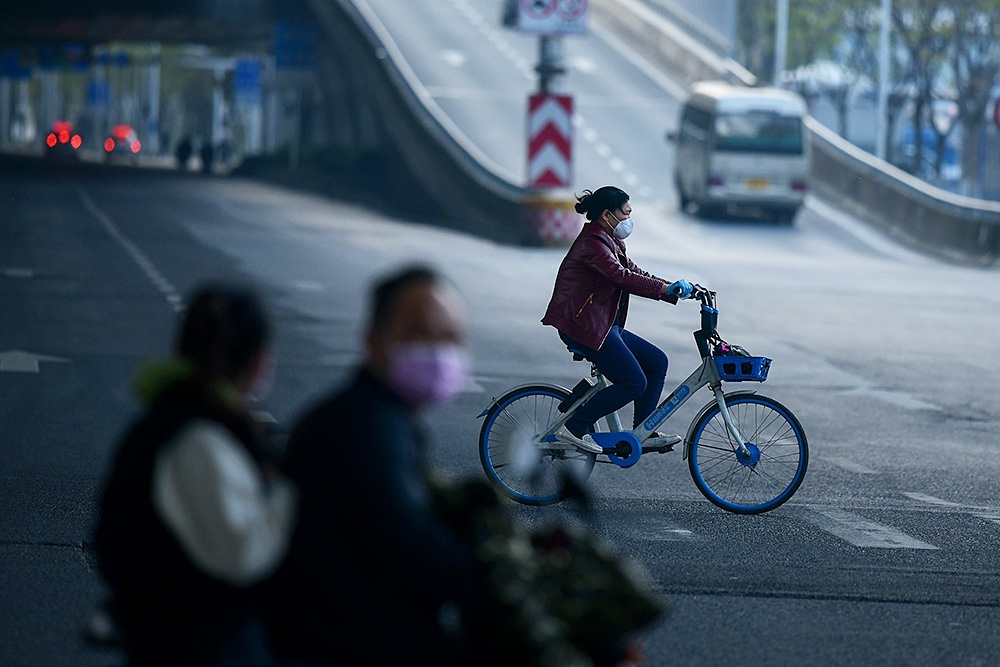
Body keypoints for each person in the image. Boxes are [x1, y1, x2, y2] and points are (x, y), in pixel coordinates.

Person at [266, 265, 482, 666]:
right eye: (419, 333)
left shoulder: (378, 417)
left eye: (452, 337)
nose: (438, 351)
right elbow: (414, 550)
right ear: (372, 340)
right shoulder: (365, 430)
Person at [93, 284, 296, 667]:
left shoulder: (177, 417)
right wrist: (289, 494)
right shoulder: (199, 439)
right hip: (195, 642)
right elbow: (242, 553)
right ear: (259, 363)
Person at [541, 186, 697, 454]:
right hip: (584, 326)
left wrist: (674, 289)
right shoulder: (592, 244)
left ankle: (643, 430)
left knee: (657, 361)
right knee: (634, 382)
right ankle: (575, 427)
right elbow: (621, 277)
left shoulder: (610, 241)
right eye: (625, 213)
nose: (629, 219)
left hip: (602, 325)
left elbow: (635, 272)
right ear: (607, 214)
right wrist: (665, 290)